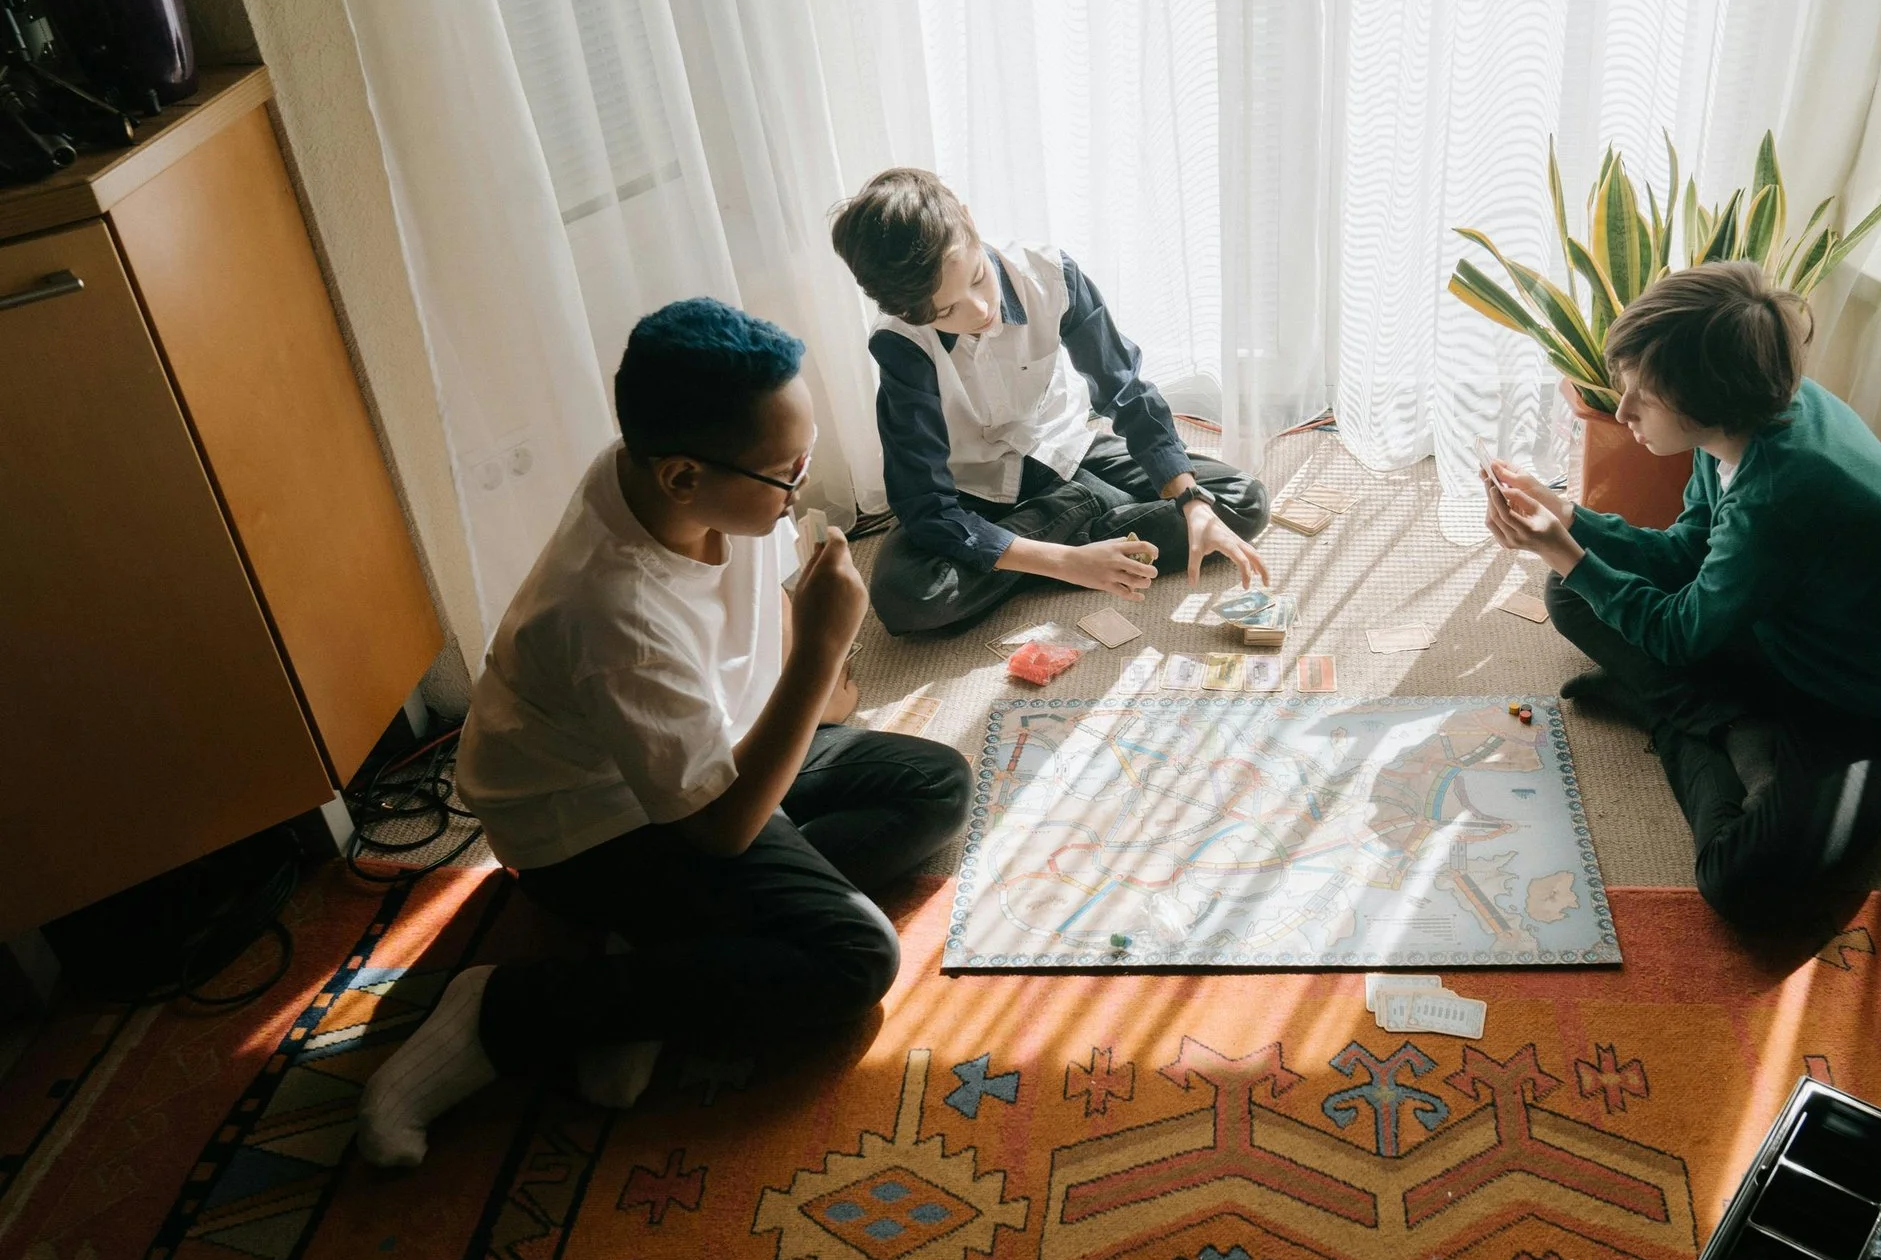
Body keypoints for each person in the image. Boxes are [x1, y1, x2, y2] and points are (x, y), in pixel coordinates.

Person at [358, 299, 972, 1167]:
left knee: (936, 786)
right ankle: (507, 1010)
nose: (803, 485)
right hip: (597, 830)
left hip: (703, 750)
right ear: (684, 476)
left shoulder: (693, 489)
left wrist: (819, 676)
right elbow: (721, 830)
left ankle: (672, 962)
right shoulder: (611, 613)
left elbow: (772, 638)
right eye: (788, 474)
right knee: (854, 959)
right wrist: (824, 650)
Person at [1481, 260, 1881, 929]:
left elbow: (1678, 634)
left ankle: (1700, 720)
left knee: (1737, 880)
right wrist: (1572, 523)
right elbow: (1693, 549)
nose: (1621, 410)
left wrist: (1566, 550)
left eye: (1643, 398)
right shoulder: (1746, 416)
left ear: (1703, 400)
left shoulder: (1778, 493)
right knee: (1571, 591)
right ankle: (1723, 716)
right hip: (1791, 631)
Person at [829, 167, 1271, 635]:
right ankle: (1078, 534)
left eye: (978, 278)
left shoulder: (1049, 273)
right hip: (974, 487)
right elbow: (925, 503)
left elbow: (1125, 389)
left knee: (1241, 501)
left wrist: (1190, 499)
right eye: (946, 311)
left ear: (968, 218)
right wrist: (1065, 562)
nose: (979, 311)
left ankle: (1026, 555)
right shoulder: (900, 343)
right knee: (907, 597)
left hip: (1068, 451)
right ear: (906, 311)